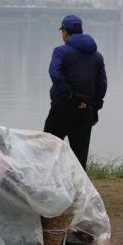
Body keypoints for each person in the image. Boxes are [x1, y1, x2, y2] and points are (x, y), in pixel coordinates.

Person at [43, 15, 107, 170]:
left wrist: (70, 95)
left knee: (46, 151)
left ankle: (45, 189)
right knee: (80, 158)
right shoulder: (97, 57)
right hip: (85, 111)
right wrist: (95, 109)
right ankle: (80, 193)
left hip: (62, 108)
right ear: (81, 30)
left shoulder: (61, 52)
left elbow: (55, 74)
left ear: (65, 32)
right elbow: (102, 85)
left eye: (62, 31)